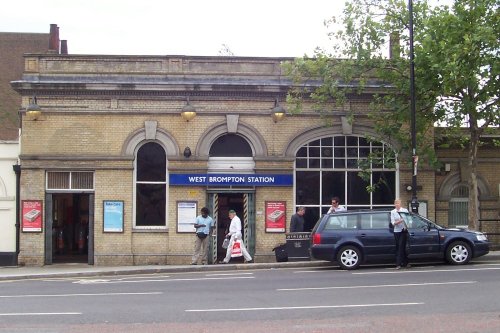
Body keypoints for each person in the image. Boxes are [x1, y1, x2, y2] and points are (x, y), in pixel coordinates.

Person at [391, 198, 410, 269]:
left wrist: (406, 225)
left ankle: (398, 264)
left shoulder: (404, 211)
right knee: (399, 247)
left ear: (400, 204)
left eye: (398, 203)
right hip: (396, 231)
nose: (397, 205)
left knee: (401, 246)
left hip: (403, 231)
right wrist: (400, 221)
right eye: (396, 203)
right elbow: (393, 223)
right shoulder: (393, 212)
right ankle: (406, 262)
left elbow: (408, 220)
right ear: (394, 204)